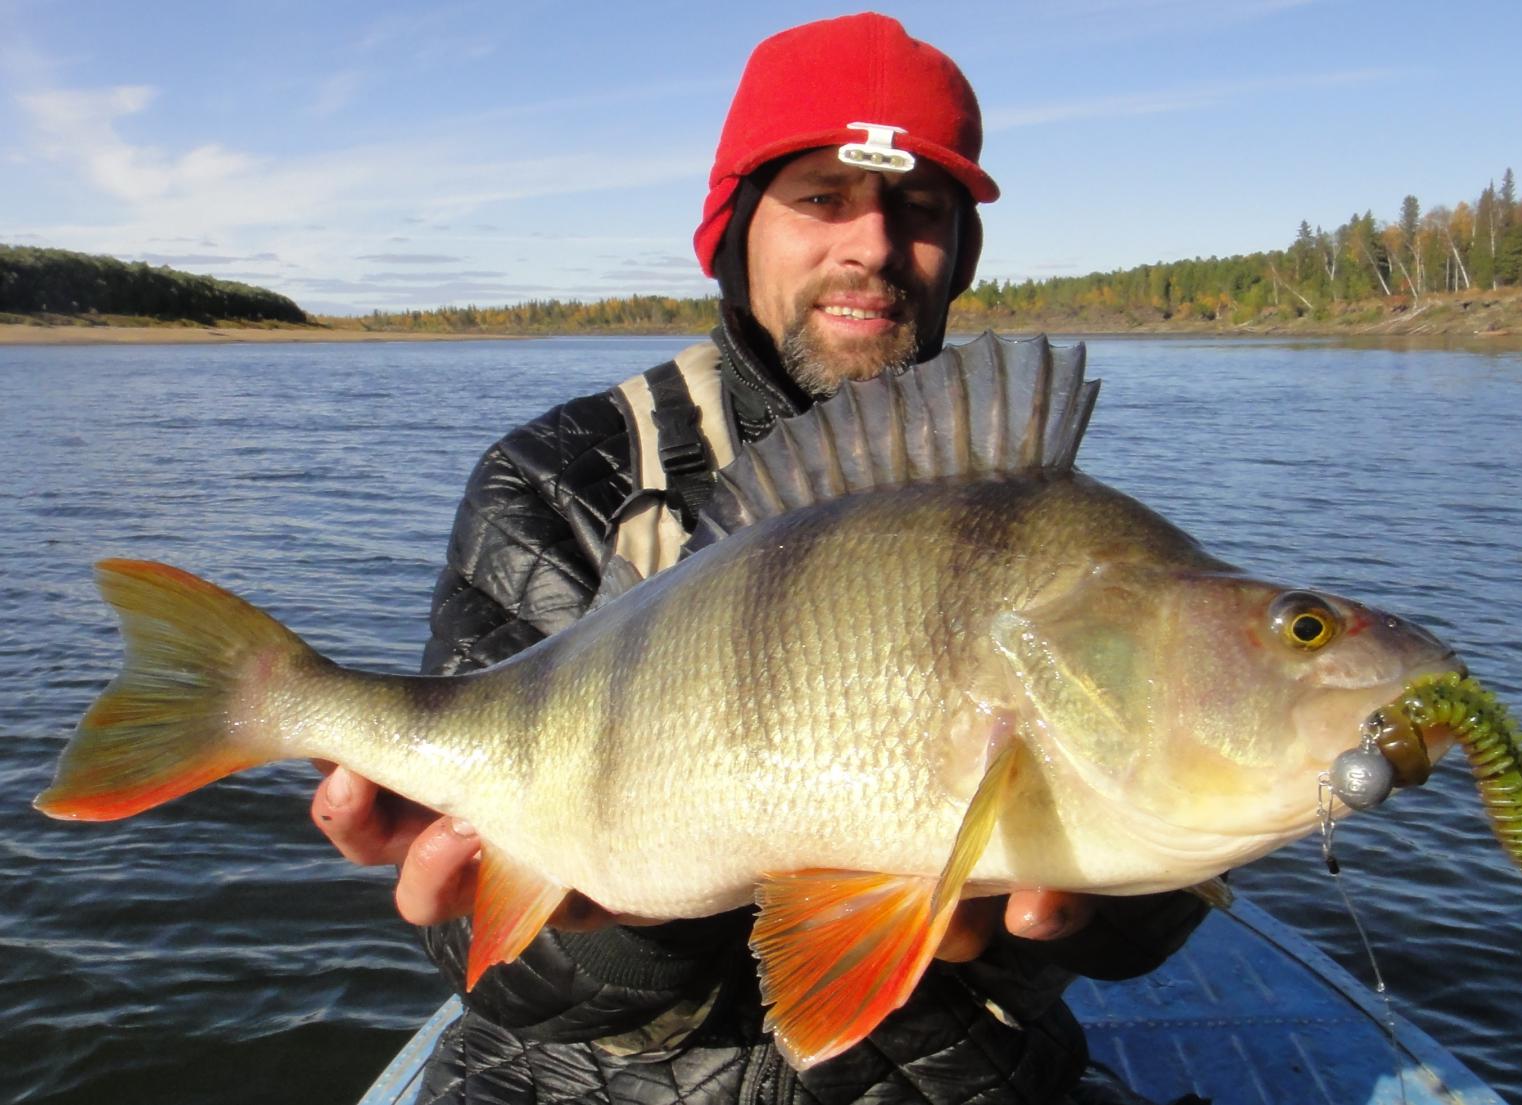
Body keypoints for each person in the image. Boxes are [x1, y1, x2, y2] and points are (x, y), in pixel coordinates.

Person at [312, 14, 1207, 1105]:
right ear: (735, 230)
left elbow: (1129, 926)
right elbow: (481, 968)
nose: (871, 246)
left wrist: (1111, 898)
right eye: (821, 198)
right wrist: (631, 928)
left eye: (920, 209)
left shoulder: (1036, 517)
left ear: (957, 254)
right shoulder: (562, 479)